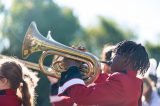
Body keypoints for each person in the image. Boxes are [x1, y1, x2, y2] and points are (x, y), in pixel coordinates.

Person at [53, 40, 150, 106]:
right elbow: (102, 84)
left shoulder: (121, 81)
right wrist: (83, 62)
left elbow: (81, 96)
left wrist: (72, 67)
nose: (112, 58)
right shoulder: (134, 83)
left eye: (115, 54)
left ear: (125, 60)